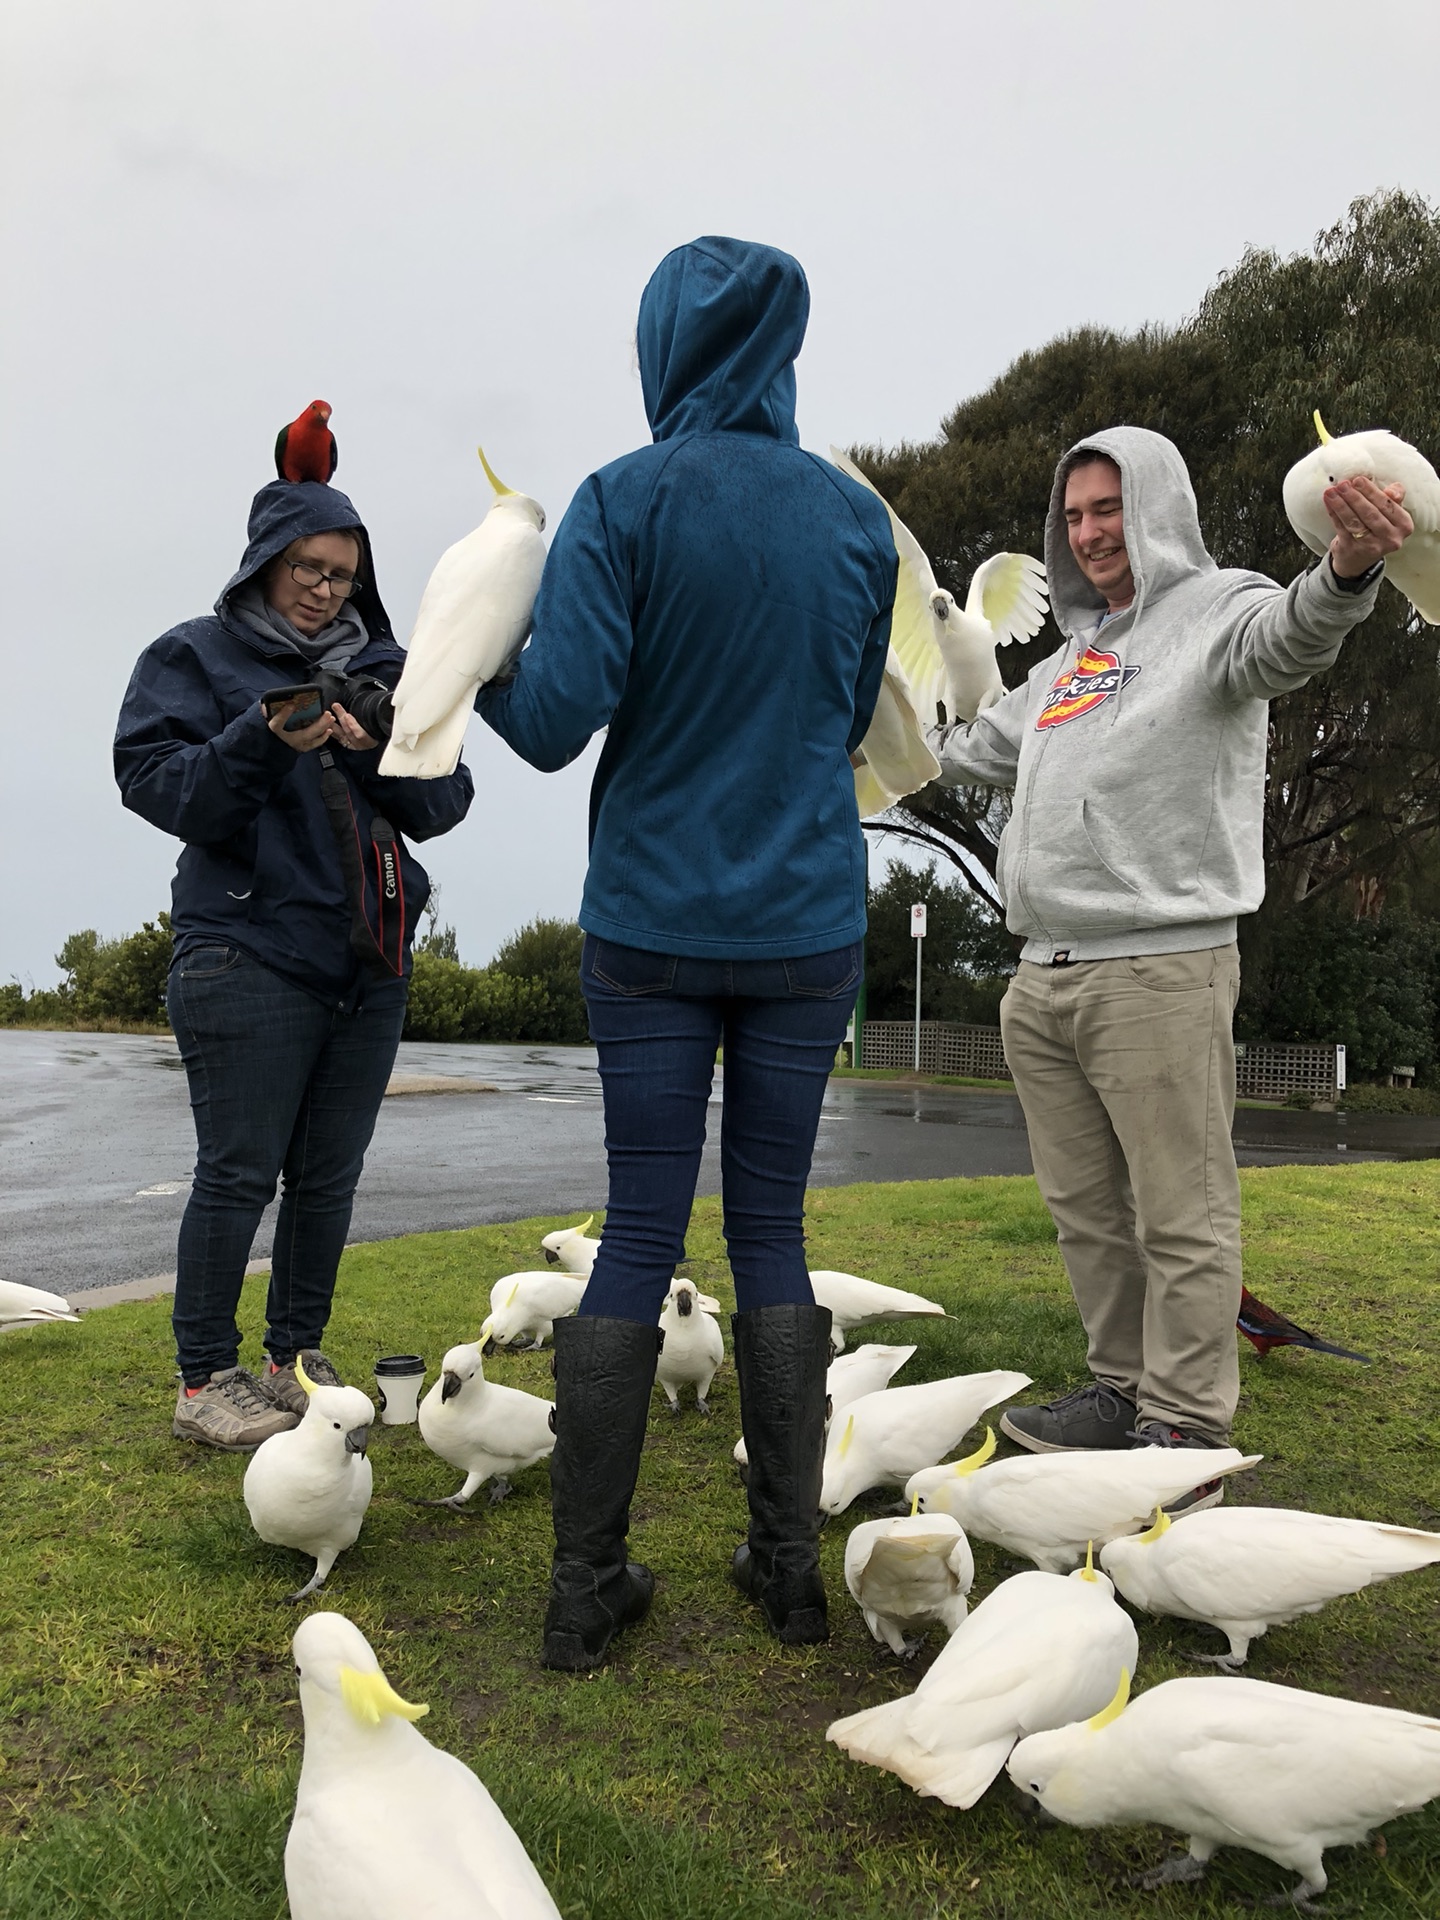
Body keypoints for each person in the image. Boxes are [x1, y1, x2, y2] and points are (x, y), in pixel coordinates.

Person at [480, 237, 897, 1669]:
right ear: (785, 348)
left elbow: (548, 723)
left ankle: (584, 1590)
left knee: (640, 1228)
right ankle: (787, 1570)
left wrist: (468, 656)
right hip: (805, 922)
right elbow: (848, 723)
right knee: (773, 1234)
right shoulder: (851, 523)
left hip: (650, 923)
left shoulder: (619, 500)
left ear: (662, 345)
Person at [930, 427, 1410, 1477]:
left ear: (1155, 506)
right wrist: (847, 694)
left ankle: (1185, 1427)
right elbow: (966, 749)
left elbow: (1292, 638)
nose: (1091, 533)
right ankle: (1121, 1392)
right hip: (1042, 976)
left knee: (1180, 1215)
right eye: (1074, 517)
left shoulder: (1220, 611)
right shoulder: (1070, 663)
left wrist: (1346, 569)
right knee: (1088, 1218)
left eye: (1108, 509)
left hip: (1160, 972)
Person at [115, 468, 474, 1449]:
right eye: (307, 568)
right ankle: (203, 1382)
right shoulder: (194, 657)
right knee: (238, 1174)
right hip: (245, 954)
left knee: (328, 1178)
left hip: (369, 966)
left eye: (344, 575)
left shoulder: (392, 670)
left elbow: (444, 802)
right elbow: (157, 786)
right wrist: (264, 736)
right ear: (265, 565)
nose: (325, 588)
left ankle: (291, 1362)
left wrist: (365, 745)